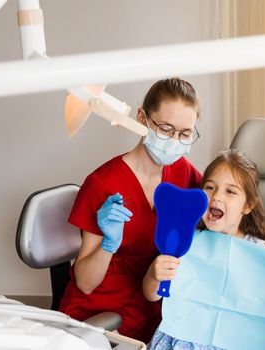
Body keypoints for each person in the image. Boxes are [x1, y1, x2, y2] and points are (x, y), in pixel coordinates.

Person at [59, 77, 203, 343]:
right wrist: (109, 244)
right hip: (100, 312)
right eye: (165, 129)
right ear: (142, 118)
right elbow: (85, 283)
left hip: (156, 306)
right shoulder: (103, 184)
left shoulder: (184, 173)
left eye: (184, 134)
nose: (174, 141)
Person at [143, 148, 265, 350]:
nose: (217, 197)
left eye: (230, 191)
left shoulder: (258, 253)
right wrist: (154, 274)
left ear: (248, 205)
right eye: (210, 187)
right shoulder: (187, 241)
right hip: (178, 338)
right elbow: (152, 295)